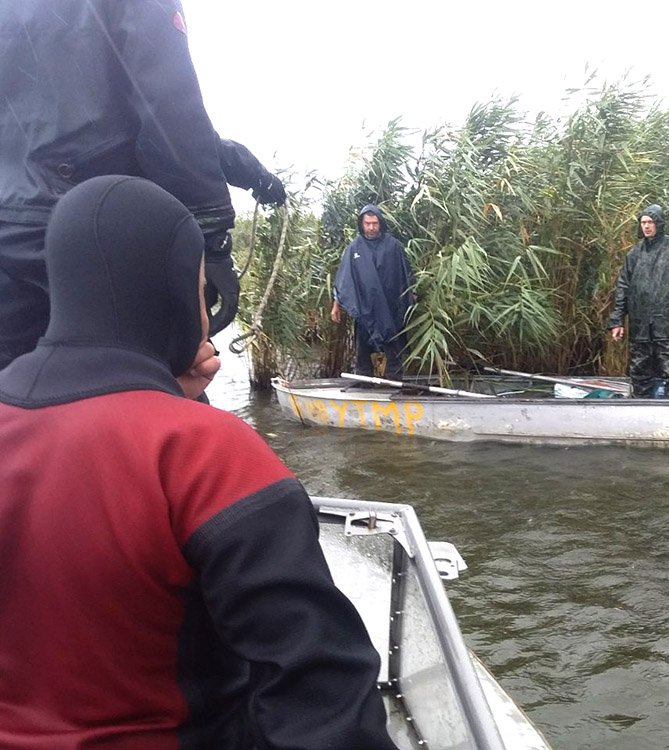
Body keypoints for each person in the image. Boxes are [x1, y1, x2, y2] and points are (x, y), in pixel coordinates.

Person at [0, 176, 398, 749]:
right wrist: (174, 413)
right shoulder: (204, 454)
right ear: (174, 291)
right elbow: (321, 700)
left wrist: (160, 393)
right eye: (202, 292)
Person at [0, 0, 284, 370]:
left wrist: (249, 170)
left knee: (18, 393)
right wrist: (212, 236)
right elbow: (168, 108)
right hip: (96, 232)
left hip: (11, 232)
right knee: (162, 385)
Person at [608, 203, 669, 398]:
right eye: (643, 222)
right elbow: (623, 288)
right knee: (639, 370)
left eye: (650, 222)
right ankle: (641, 408)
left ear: (659, 223)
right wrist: (617, 320)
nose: (647, 226)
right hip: (640, 323)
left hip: (667, 321)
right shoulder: (634, 254)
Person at [330, 204, 415, 378]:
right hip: (365, 309)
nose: (371, 227)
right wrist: (336, 305)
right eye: (367, 223)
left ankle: (395, 384)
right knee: (362, 352)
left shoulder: (394, 247)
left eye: (374, 223)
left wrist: (411, 299)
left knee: (394, 350)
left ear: (380, 223)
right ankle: (364, 386)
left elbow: (406, 276)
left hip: (390, 309)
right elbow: (344, 279)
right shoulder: (354, 248)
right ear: (361, 224)